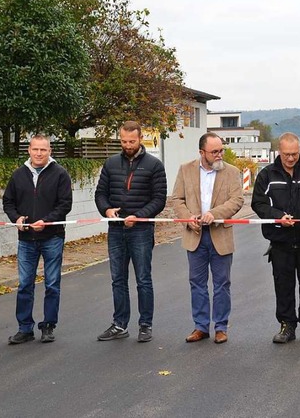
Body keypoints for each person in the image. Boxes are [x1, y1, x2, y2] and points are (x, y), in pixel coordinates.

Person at [251, 132, 300, 344]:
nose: (290, 158)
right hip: (280, 241)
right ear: (279, 151)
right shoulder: (266, 175)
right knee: (283, 285)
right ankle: (287, 325)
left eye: (295, 154)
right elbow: (258, 204)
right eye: (286, 154)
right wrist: (277, 217)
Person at [95, 121, 167, 343]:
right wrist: (106, 209)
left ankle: (145, 324)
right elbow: (100, 193)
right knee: (118, 279)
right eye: (124, 141)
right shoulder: (110, 163)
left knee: (143, 279)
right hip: (116, 230)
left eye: (132, 141)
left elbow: (159, 199)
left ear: (140, 138)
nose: (127, 145)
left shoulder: (154, 165)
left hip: (141, 230)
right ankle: (119, 324)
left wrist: (139, 215)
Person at [172, 133, 244, 344]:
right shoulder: (186, 169)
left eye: (221, 150)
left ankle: (221, 327)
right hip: (195, 235)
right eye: (214, 152)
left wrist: (216, 213)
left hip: (220, 234)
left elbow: (237, 200)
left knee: (222, 283)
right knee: (197, 283)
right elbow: (177, 199)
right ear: (202, 152)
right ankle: (200, 326)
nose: (219, 154)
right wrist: (187, 218)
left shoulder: (231, 172)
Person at [3, 135, 73, 344]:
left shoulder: (60, 174)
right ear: (29, 150)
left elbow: (65, 204)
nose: (39, 153)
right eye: (36, 149)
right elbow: (8, 202)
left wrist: (46, 220)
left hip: (52, 237)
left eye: (43, 149)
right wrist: (16, 218)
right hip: (26, 239)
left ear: (50, 150)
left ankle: (48, 325)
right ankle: (25, 328)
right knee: (25, 284)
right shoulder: (18, 175)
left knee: (52, 283)